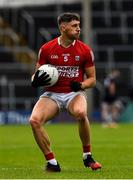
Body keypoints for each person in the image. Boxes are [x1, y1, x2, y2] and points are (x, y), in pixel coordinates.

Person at [29, 12, 101, 172]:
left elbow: (92, 80)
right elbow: (36, 74)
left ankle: (87, 155)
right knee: (34, 121)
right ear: (63, 27)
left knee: (81, 113)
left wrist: (81, 85)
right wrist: (35, 80)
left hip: (73, 93)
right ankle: (52, 162)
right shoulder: (46, 49)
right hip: (52, 94)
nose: (78, 29)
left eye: (79, 25)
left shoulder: (85, 50)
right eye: (74, 26)